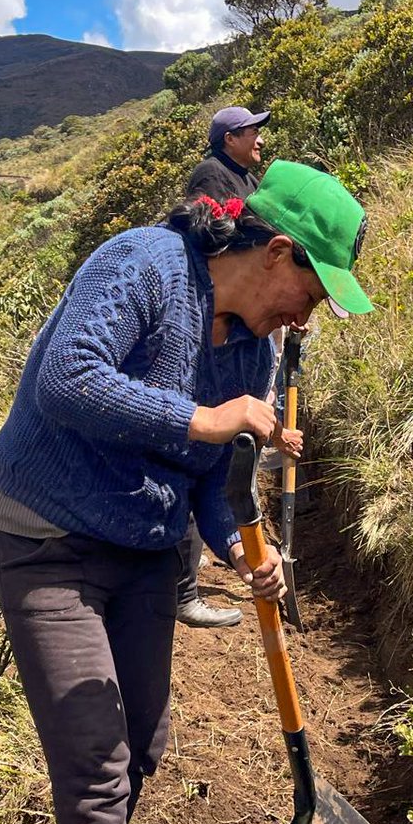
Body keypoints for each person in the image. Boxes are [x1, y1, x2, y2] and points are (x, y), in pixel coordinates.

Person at [0, 160, 372, 824]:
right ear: (277, 252)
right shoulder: (141, 266)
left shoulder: (257, 351)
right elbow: (68, 382)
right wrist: (212, 416)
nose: (304, 320)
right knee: (93, 746)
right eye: (310, 295)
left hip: (147, 546)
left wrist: (241, 555)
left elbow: (207, 482)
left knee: (145, 741)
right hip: (46, 535)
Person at [175, 105, 274, 629]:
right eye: (253, 131)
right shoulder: (212, 177)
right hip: (215, 332)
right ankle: (182, 588)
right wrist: (205, 422)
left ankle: (188, 578)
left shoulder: (244, 175)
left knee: (212, 467)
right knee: (189, 459)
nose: (260, 138)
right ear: (231, 137)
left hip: (237, 328)